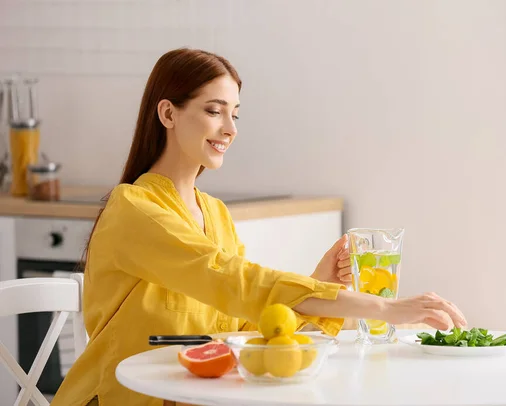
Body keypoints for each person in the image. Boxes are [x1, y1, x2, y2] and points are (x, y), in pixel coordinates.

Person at [51, 48, 467, 406]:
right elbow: (234, 280)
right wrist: (384, 309)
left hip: (195, 396)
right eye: (213, 111)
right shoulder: (133, 209)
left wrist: (317, 282)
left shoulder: (214, 213)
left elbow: (245, 330)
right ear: (168, 113)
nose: (230, 129)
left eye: (234, 114)